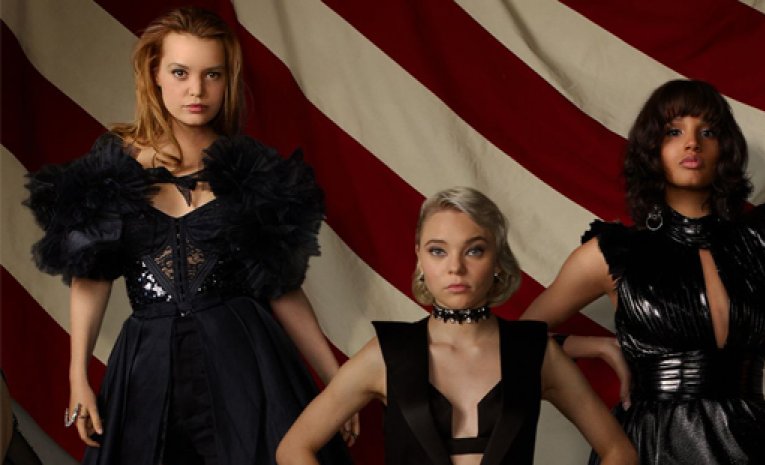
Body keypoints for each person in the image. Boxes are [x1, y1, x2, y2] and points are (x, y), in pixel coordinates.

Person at [24, 7, 353, 465]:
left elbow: (281, 286)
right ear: (155, 74)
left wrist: (338, 383)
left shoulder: (252, 171)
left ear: (227, 80)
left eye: (211, 74)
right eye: (180, 72)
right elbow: (90, 278)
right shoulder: (112, 167)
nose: (196, 90)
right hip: (148, 366)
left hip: (245, 364)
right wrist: (77, 376)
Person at [521, 79, 765, 464]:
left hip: (755, 442)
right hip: (654, 449)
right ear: (652, 149)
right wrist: (597, 346)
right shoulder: (612, 253)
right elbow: (512, 341)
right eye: (674, 131)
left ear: (725, 149)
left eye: (708, 132)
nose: (692, 143)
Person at [275, 187, 637, 465]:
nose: (455, 268)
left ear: (497, 260)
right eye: (438, 250)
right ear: (419, 258)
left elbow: (619, 452)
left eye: (474, 250)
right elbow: (293, 449)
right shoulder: (387, 354)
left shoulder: (536, 352)